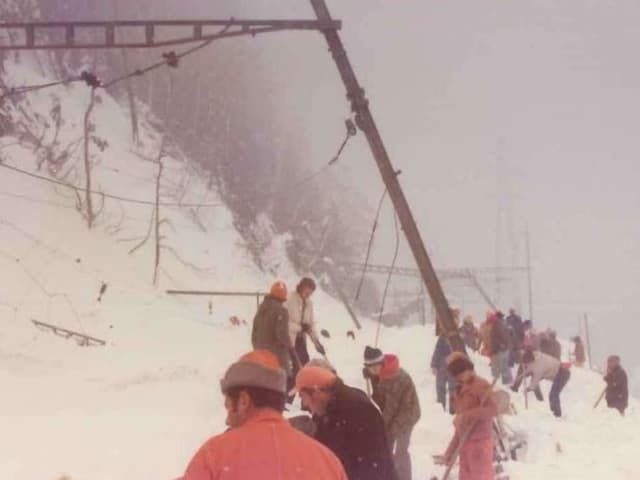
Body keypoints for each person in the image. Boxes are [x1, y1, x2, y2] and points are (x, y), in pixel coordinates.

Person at [183, 350, 347, 480]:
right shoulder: (328, 462)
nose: (227, 420)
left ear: (243, 401)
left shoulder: (214, 455)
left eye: (228, 406)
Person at [296, 364, 397, 480]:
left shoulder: (359, 409)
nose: (304, 404)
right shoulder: (324, 411)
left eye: (302, 396)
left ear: (316, 392)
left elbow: (374, 466)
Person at [435, 352, 497, 480]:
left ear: (469, 369)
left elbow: (493, 409)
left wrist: (468, 415)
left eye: (464, 373)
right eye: (458, 375)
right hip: (465, 444)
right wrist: (450, 452)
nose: (462, 377)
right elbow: (460, 426)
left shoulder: (481, 385)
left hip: (480, 443)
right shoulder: (458, 390)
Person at [365, 350, 421, 480]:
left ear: (382, 363)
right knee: (386, 446)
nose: (373, 371)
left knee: (401, 450)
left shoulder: (394, 378)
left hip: (407, 415)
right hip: (396, 412)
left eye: (375, 367)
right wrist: (372, 376)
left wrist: (381, 427)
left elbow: (391, 409)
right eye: (370, 368)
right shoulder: (383, 372)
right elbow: (380, 396)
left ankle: (404, 477)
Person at [251, 281, 294, 387]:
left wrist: (257, 347)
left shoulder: (262, 308)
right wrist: (290, 346)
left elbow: (254, 330)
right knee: (280, 380)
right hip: (276, 353)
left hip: (261, 350)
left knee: (264, 379)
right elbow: (281, 334)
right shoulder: (281, 311)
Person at [286, 278, 326, 370]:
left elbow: (310, 324)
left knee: (305, 365)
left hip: (300, 340)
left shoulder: (309, 304)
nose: (309, 294)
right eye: (307, 291)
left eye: (311, 293)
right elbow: (284, 323)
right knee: (293, 367)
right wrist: (300, 328)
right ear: (301, 287)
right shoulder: (289, 300)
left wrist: (317, 343)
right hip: (289, 340)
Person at [522, 349, 571, 417]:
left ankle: (557, 414)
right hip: (560, 371)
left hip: (562, 373)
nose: (526, 364)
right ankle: (555, 413)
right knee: (553, 394)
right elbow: (530, 367)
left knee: (554, 394)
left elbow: (536, 379)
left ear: (530, 361)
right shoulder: (536, 355)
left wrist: (529, 388)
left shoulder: (538, 367)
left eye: (526, 363)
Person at [488, 312, 513, 385]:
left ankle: (505, 382)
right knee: (503, 365)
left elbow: (504, 336)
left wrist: (502, 345)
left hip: (500, 349)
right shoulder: (500, 324)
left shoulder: (498, 325)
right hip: (501, 349)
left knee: (502, 366)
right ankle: (505, 381)